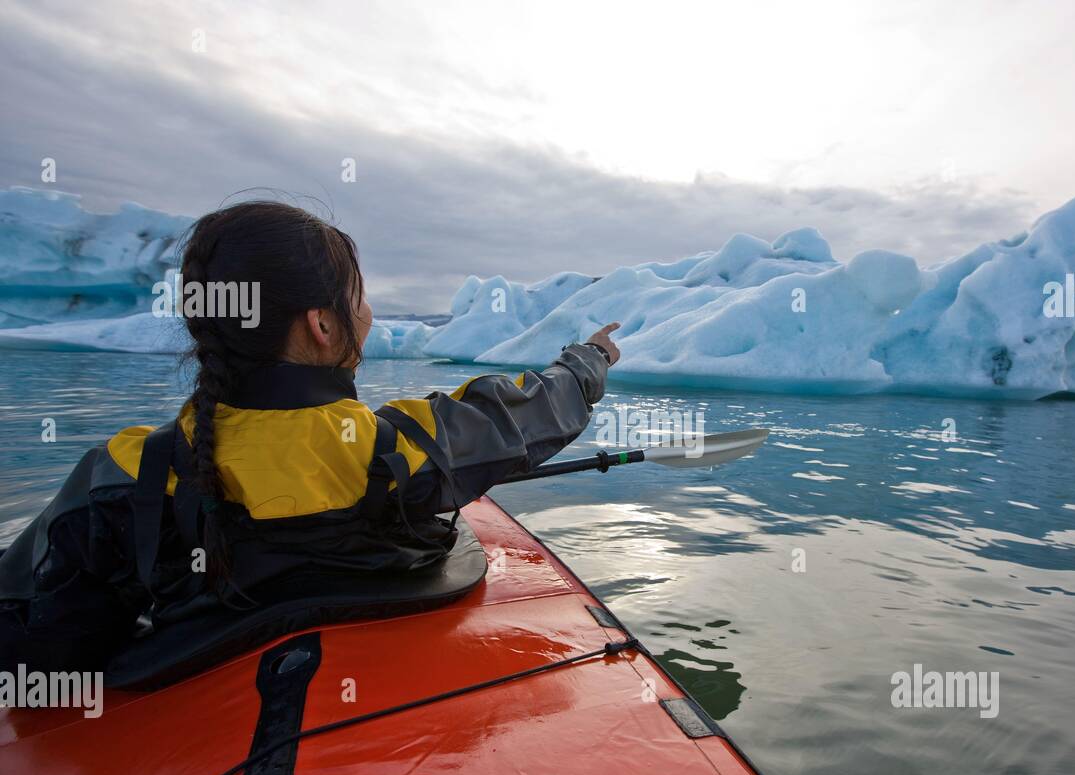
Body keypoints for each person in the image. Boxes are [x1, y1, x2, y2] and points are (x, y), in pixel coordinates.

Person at [0, 201, 621, 672]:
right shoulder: (404, 445)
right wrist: (588, 360)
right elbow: (529, 413)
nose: (370, 315)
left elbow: (34, 631)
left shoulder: (124, 469)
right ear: (322, 325)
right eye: (359, 297)